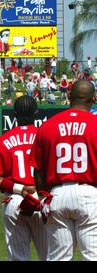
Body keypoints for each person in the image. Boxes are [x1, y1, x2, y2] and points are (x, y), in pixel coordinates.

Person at [29, 80, 97, 261]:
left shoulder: (48, 126)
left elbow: (38, 170)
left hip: (57, 195)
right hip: (89, 194)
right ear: (94, 99)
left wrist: (44, 197)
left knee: (58, 258)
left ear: (68, 96)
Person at [0, 96, 47, 261]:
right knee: (50, 256)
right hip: (41, 200)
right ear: (36, 114)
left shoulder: (2, 141)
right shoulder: (46, 137)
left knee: (18, 258)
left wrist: (19, 189)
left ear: (15, 114)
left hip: (14, 201)